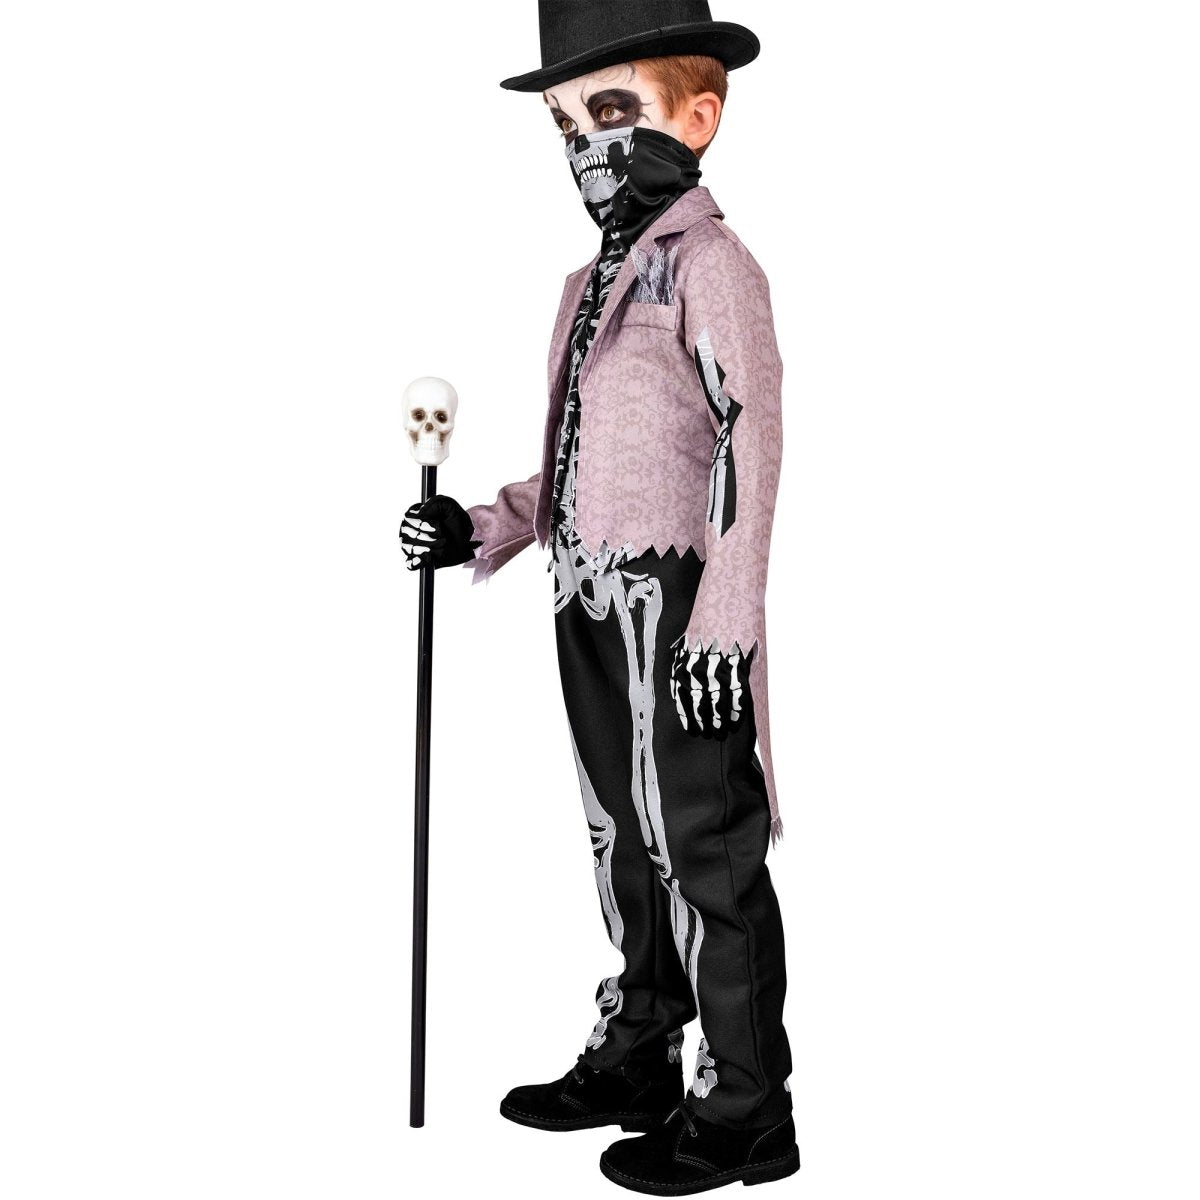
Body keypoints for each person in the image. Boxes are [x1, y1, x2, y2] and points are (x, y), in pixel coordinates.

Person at [400, 3, 797, 1192]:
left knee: (701, 845)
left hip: (679, 605)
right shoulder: (584, 285)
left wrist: (727, 612)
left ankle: (747, 1106)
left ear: (698, 117)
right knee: (620, 830)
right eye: (568, 124)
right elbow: (573, 457)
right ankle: (641, 1048)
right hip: (583, 595)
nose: (587, 146)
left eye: (613, 112)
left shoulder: (713, 268)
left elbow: (753, 442)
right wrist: (484, 524)